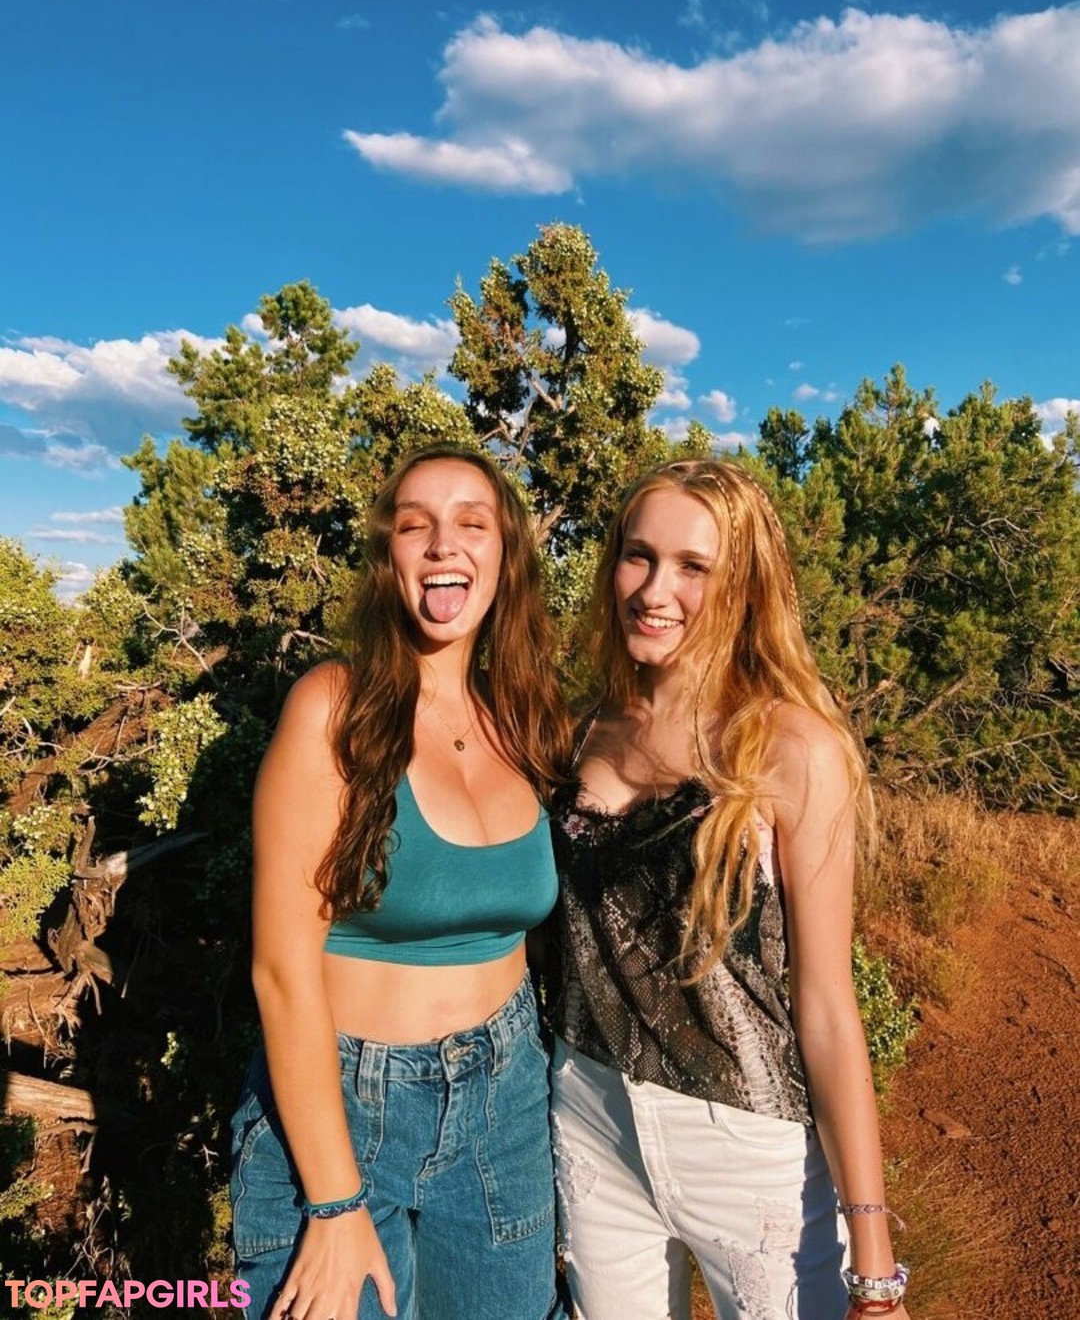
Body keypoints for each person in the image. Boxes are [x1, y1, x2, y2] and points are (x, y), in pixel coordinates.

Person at [546, 459, 911, 1320]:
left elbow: (827, 1005)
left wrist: (875, 1270)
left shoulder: (791, 748)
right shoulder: (581, 728)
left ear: (743, 584)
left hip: (749, 1150)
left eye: (693, 566)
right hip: (589, 1121)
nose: (653, 590)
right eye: (638, 555)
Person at [229, 444, 571, 1320]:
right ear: (389, 556)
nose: (443, 544)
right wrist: (334, 1201)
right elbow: (280, 969)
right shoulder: (332, 707)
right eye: (415, 526)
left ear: (506, 554)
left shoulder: (527, 719)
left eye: (472, 523)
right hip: (342, 1110)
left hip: (506, 1103)